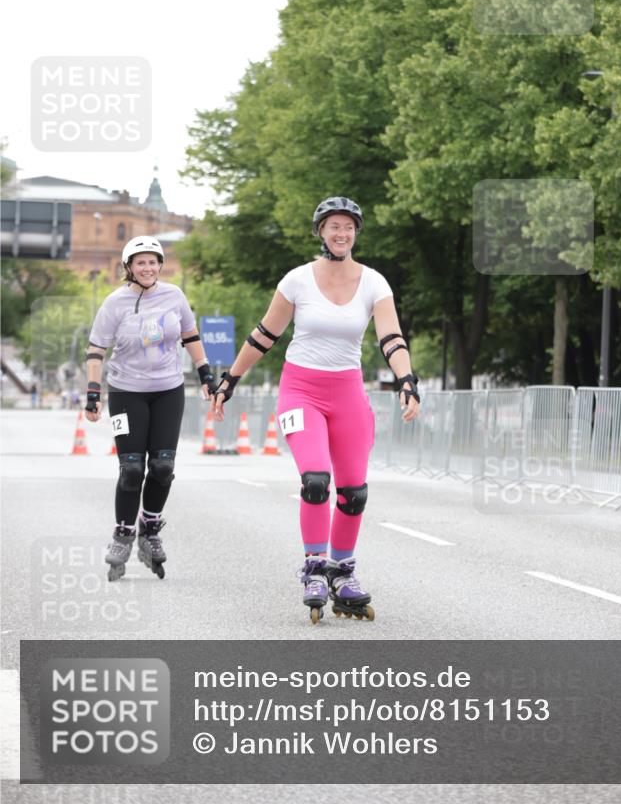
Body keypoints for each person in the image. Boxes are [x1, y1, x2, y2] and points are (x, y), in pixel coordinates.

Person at [212, 196, 420, 623]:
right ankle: (313, 567)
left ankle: (343, 574)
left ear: (355, 233)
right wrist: (230, 380)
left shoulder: (374, 283)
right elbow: (264, 335)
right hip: (300, 391)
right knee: (315, 481)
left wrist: (407, 380)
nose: (341, 234)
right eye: (333, 227)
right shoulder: (297, 281)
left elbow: (391, 337)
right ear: (321, 232)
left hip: (347, 394)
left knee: (353, 492)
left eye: (348, 227)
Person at [84, 236, 217, 580]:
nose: (148, 268)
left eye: (153, 262)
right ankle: (123, 534)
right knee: (131, 469)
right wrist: (93, 393)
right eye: (140, 262)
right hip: (125, 393)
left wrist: (206, 375)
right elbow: (96, 349)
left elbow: (190, 335)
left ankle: (151, 529)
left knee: (162, 466)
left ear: (160, 264)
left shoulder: (174, 296)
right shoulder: (115, 303)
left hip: (168, 391)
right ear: (128, 267)